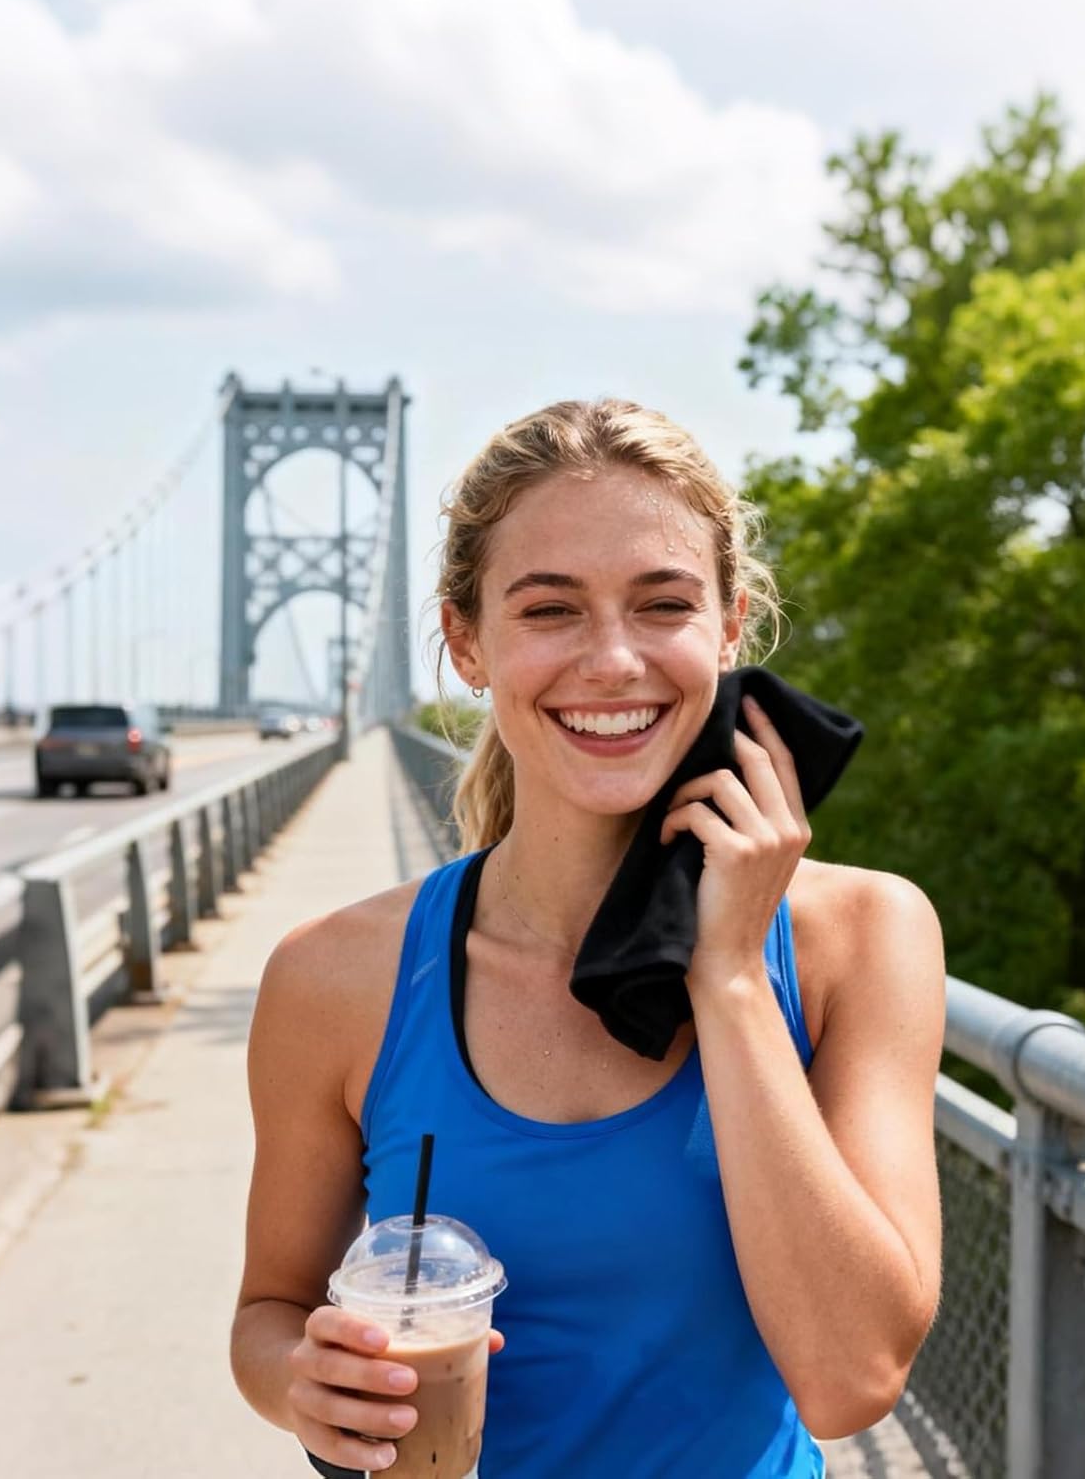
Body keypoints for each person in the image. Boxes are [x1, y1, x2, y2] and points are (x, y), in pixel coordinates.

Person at [230, 398, 947, 1477]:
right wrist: (300, 1380)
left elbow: (851, 1380)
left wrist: (733, 977)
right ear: (467, 643)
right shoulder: (334, 979)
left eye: (663, 604)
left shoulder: (864, 937)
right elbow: (268, 1312)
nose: (613, 661)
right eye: (551, 611)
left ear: (730, 627)